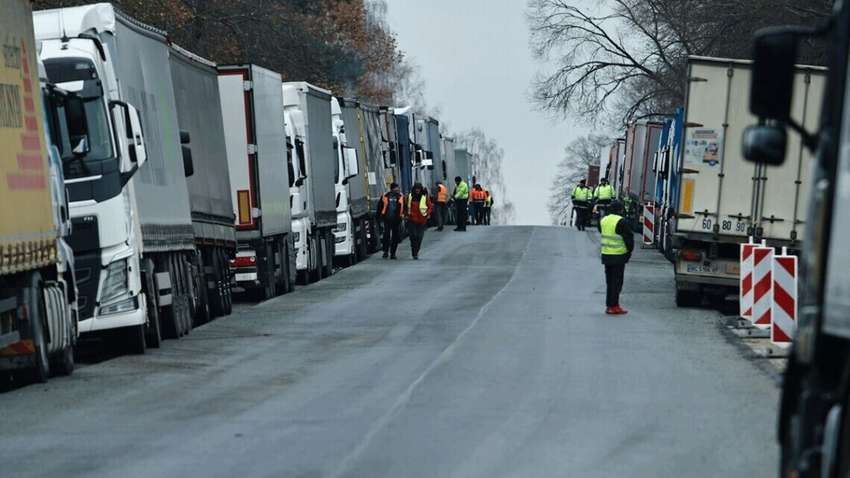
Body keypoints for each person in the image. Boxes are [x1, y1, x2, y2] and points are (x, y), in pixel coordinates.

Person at [598, 200, 634, 314]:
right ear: (620, 210)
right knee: (617, 282)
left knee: (610, 282)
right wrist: (629, 251)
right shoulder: (621, 221)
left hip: (606, 255)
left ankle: (610, 305)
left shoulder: (603, 220)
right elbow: (628, 239)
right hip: (618, 256)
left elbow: (601, 231)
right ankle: (613, 306)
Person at [406, 182, 432, 259]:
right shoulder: (410, 197)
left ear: (421, 189)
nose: (417, 190)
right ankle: (414, 253)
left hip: (421, 220)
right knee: (413, 236)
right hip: (412, 220)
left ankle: (416, 251)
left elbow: (430, 206)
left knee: (419, 237)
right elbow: (406, 206)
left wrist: (427, 214)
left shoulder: (424, 197)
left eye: (419, 188)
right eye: (416, 188)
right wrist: (406, 215)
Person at [380, 182, 404, 259]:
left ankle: (393, 253)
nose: (397, 189)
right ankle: (385, 251)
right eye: (396, 188)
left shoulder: (400, 196)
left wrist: (402, 216)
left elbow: (404, 207)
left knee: (395, 237)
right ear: (392, 189)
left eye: (398, 188)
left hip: (396, 220)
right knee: (386, 236)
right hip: (387, 219)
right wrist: (379, 217)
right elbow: (380, 206)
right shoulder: (385, 196)